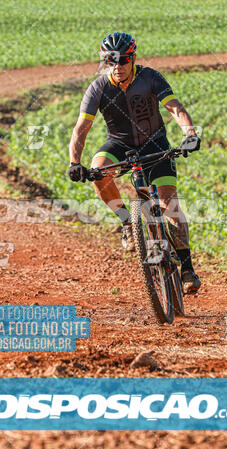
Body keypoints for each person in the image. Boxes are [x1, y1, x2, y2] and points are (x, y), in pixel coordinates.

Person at [68, 32, 201, 293]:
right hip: (120, 144)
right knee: (98, 169)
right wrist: (74, 161)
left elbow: (174, 107)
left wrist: (190, 134)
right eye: (110, 61)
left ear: (133, 57)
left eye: (123, 60)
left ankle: (187, 268)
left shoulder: (150, 77)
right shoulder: (98, 88)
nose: (117, 67)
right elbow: (81, 128)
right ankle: (127, 221)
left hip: (155, 144)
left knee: (169, 205)